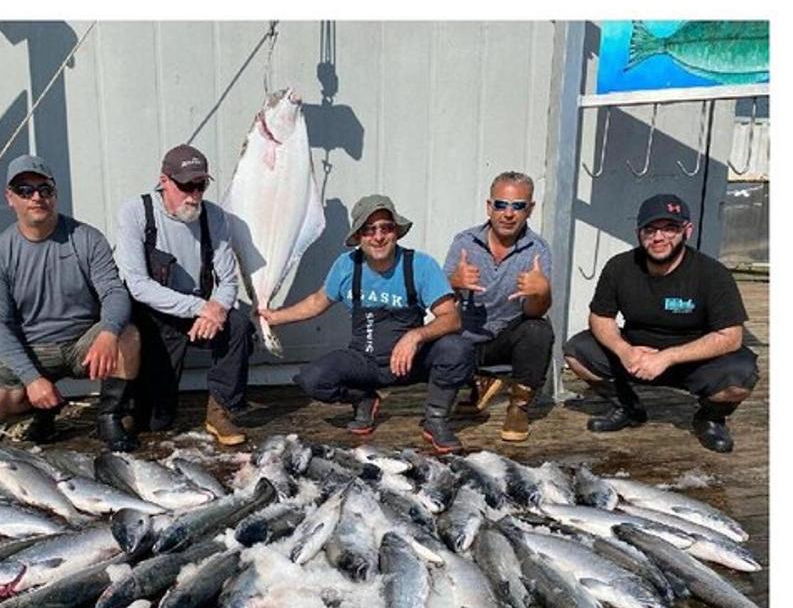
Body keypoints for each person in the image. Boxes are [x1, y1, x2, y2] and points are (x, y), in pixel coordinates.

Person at [260, 195, 473, 454]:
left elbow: (451, 317)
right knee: (312, 380)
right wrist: (276, 317)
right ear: (358, 236)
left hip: (411, 362)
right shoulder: (347, 265)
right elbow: (317, 301)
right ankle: (364, 398)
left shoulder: (420, 264)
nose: (378, 236)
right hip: (366, 362)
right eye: (369, 230)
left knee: (457, 348)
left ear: (396, 232)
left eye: (386, 227)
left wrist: (415, 336)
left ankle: (435, 420)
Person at [563, 193, 758, 453]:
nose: (658, 237)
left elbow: (731, 336)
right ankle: (627, 406)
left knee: (741, 376)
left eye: (670, 229)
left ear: (687, 230)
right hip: (635, 356)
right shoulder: (620, 266)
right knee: (577, 352)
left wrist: (668, 357)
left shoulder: (713, 274)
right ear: (638, 232)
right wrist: (624, 350)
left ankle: (710, 418)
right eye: (651, 229)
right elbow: (601, 316)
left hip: (693, 361)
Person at [0, 155, 140, 451]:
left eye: (45, 189)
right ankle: (42, 410)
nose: (36, 197)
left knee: (128, 335)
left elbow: (114, 292)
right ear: (10, 198)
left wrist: (108, 332)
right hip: (33, 348)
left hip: (81, 345)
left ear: (55, 194)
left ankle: (110, 416)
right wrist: (31, 377)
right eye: (25, 190)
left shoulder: (87, 239)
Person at [113, 144, 255, 446]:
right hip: (156, 317)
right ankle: (130, 406)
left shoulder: (214, 217)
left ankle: (220, 410)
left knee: (239, 326)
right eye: (185, 185)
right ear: (164, 181)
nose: (193, 194)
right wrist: (202, 307)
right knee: (156, 422)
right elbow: (137, 284)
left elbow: (227, 278)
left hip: (201, 315)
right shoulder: (136, 212)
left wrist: (216, 308)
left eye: (200, 185)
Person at [447, 171, 554, 442]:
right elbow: (440, 302)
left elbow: (534, 312)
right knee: (433, 339)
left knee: (539, 329)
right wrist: (453, 283)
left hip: (506, 338)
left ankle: (518, 407)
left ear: (529, 210)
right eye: (501, 204)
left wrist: (541, 293)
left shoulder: (538, 249)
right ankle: (477, 385)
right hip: (467, 338)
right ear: (489, 206)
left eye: (518, 205)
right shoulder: (464, 242)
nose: (508, 213)